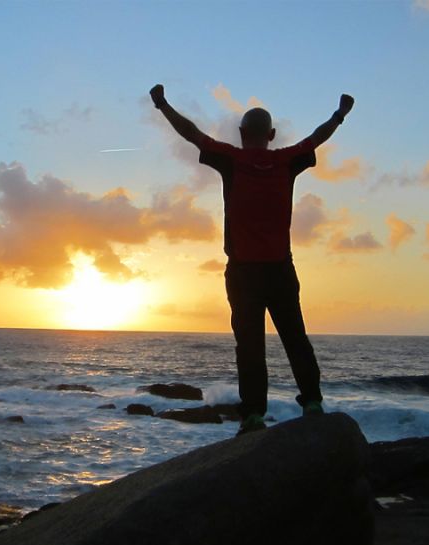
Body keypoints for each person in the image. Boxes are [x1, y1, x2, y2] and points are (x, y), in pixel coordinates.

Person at [149, 83, 355, 435]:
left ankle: (254, 415)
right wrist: (340, 115)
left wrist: (163, 105)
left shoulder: (232, 159)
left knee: (250, 345)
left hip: (244, 272)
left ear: (242, 133)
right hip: (280, 268)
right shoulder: (286, 160)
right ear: (272, 135)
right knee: (295, 337)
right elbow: (316, 138)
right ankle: (313, 403)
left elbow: (192, 134)